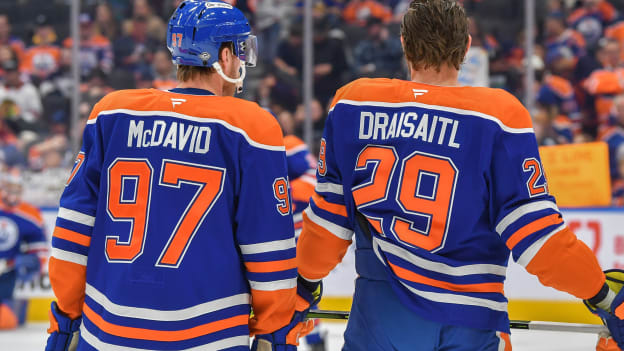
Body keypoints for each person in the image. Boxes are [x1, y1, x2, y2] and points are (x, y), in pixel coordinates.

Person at [295, 1, 624, 350]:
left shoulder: (354, 104)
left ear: (404, 43)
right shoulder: (498, 116)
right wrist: (602, 295)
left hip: (380, 317)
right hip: (471, 321)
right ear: (467, 46)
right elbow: (537, 237)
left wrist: (301, 286)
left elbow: (329, 222)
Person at [45, 1, 313, 350]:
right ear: (227, 55)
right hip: (209, 336)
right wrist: (275, 331)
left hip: (107, 332)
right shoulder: (250, 126)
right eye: (242, 50)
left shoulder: (112, 111)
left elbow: (72, 230)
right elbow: (268, 251)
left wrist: (66, 317)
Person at [0, 166, 47, 330]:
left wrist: (34, 264)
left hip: (9, 271)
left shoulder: (30, 213)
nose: (13, 193)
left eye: (17, 189)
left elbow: (39, 246)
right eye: (9, 188)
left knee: (8, 321)